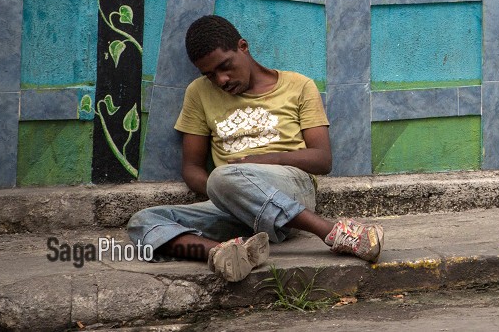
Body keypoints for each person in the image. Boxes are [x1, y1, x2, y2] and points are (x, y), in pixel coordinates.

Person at [127, 14, 384, 281]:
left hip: (292, 189)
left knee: (223, 176)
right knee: (143, 221)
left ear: (243, 47)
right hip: (234, 203)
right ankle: (227, 253)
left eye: (225, 66)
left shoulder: (298, 86)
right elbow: (191, 168)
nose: (221, 80)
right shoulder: (198, 92)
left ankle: (332, 232)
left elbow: (322, 159)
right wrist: (228, 193)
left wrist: (263, 160)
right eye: (210, 75)